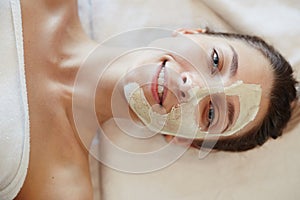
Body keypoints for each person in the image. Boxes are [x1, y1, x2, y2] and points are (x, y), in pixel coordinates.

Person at [0, 0, 298, 199]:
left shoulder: (60, 188)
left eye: (210, 114)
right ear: (187, 33)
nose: (191, 86)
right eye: (216, 60)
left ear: (182, 140)